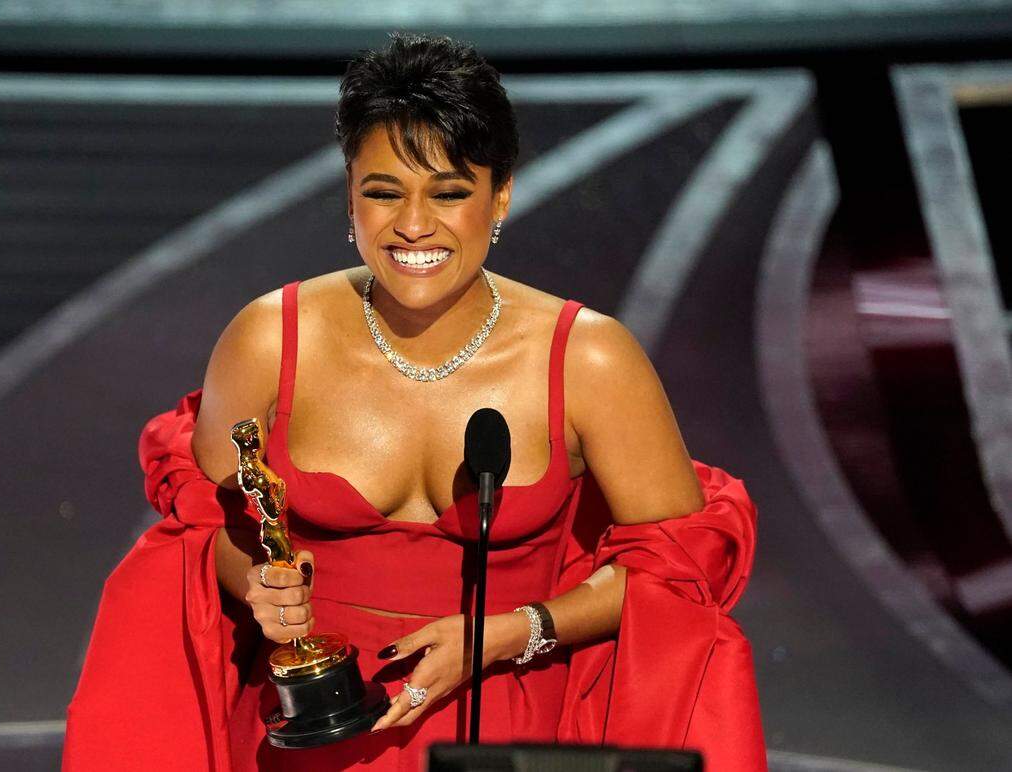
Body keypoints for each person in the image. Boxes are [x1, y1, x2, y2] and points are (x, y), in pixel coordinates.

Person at [64, 33, 765, 772]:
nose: (413, 226)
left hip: (506, 735)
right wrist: (258, 587)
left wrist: (512, 630)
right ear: (350, 196)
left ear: (500, 196)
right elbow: (207, 532)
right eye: (384, 191)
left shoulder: (589, 358)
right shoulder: (268, 339)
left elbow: (678, 571)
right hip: (315, 737)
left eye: (450, 192)